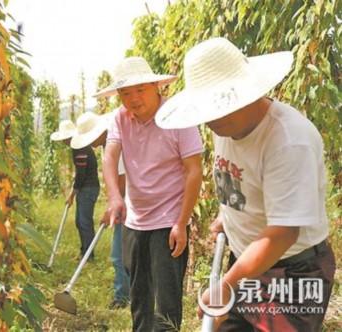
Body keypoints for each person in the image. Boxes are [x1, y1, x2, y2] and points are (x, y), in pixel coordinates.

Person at [156, 37, 335, 331]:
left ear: (247, 93)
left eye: (217, 108)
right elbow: (241, 181)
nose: (209, 120)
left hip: (292, 270)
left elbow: (282, 233)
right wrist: (229, 215)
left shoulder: (288, 141)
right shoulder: (224, 125)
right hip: (246, 262)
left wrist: (226, 285)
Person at [99, 56, 203, 331]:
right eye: (125, 93)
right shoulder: (120, 119)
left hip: (169, 222)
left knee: (166, 303)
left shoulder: (178, 118)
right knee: (139, 299)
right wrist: (114, 197)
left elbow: (194, 170)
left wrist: (181, 222)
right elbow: (110, 157)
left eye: (140, 90)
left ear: (157, 86)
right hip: (135, 222)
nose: (133, 99)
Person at [70, 110, 130, 309]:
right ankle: (128, 293)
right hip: (126, 202)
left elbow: (121, 182)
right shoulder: (108, 144)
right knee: (124, 253)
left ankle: (122, 297)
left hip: (129, 204)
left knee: (119, 254)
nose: (90, 144)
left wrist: (112, 207)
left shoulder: (116, 143)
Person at [51, 119, 100, 259]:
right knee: (80, 221)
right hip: (86, 188)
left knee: (84, 222)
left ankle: (88, 255)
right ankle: (85, 251)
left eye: (65, 138)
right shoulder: (77, 147)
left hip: (88, 188)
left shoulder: (80, 148)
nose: (63, 141)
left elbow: (81, 175)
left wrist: (72, 194)